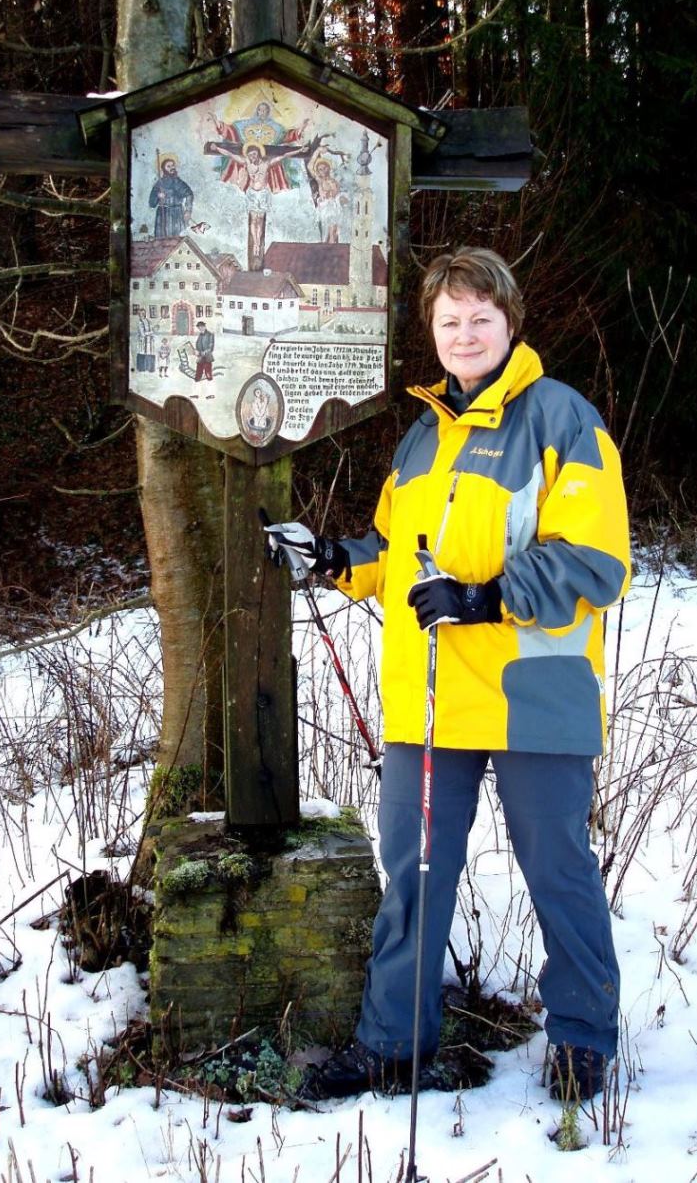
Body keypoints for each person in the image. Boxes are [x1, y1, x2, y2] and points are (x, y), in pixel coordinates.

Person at [264, 247, 630, 1103]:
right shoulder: (422, 434)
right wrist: (327, 558)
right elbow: (400, 562)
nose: (464, 333)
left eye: (480, 318)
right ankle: (393, 1042)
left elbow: (596, 559)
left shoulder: (562, 420)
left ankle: (582, 1038)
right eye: (448, 320)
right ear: (430, 332)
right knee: (415, 875)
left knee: (558, 872)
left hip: (532, 698)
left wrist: (485, 596)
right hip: (428, 706)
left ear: (510, 323)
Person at [149, 156, 194, 238]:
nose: (172, 168)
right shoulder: (159, 183)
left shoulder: (178, 182)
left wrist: (188, 210)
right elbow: (151, 203)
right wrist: (158, 195)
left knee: (177, 238)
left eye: (173, 165)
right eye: (168, 166)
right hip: (163, 215)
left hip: (177, 214)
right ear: (163, 169)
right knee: (162, 239)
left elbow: (189, 194)